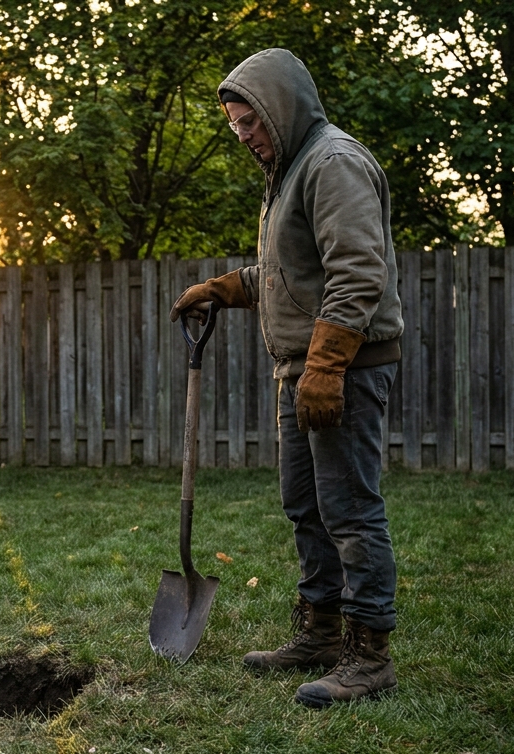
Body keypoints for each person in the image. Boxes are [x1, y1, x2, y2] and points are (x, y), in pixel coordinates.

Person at [169, 49, 404, 709]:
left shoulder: (333, 163)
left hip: (345, 368)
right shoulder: (290, 171)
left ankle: (368, 656)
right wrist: (225, 288)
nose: (244, 136)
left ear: (281, 107)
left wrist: (327, 366)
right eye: (236, 126)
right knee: (306, 507)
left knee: (350, 511)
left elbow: (359, 271)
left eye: (251, 122)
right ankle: (321, 634)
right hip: (302, 368)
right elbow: (293, 277)